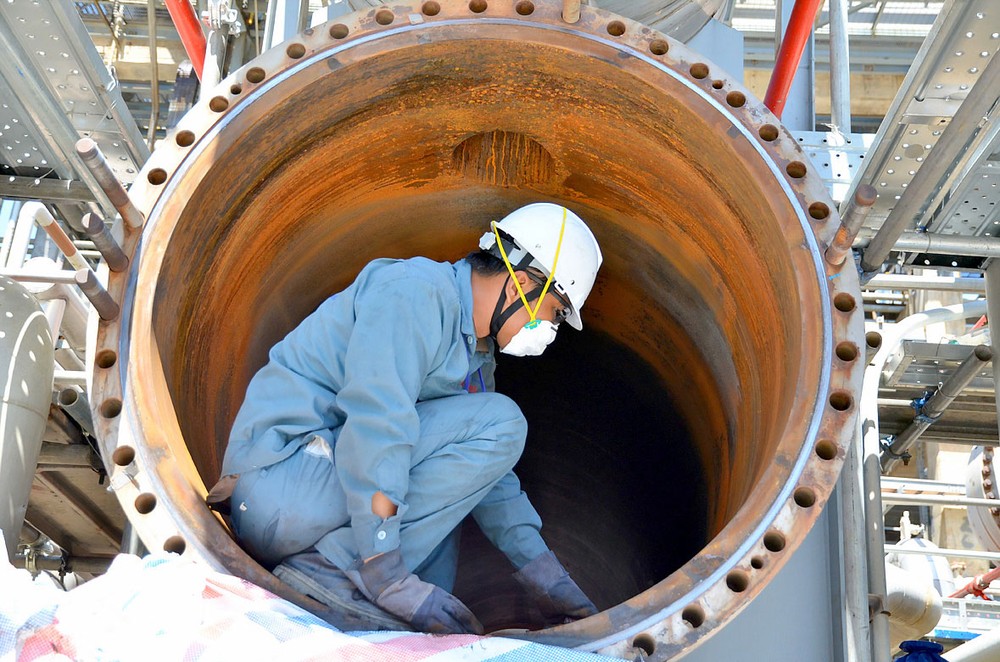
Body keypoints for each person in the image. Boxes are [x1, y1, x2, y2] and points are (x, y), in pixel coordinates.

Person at [209, 202, 603, 635]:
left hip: (317, 495)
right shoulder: (414, 293)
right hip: (280, 489)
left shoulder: (475, 355)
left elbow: (493, 482)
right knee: (503, 422)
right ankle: (340, 574)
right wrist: (384, 569)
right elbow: (379, 424)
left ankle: (361, 583)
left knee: (453, 514)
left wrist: (549, 579)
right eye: (555, 311)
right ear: (520, 285)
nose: (551, 328)